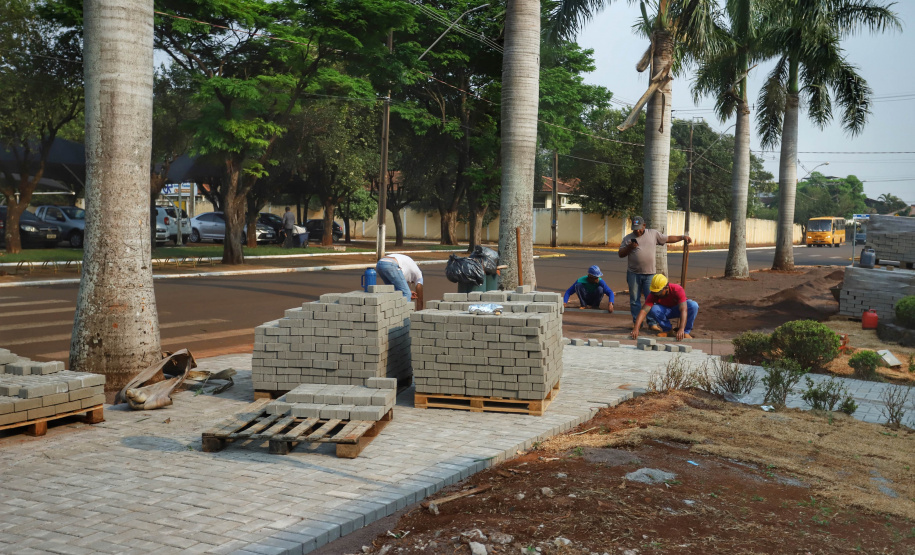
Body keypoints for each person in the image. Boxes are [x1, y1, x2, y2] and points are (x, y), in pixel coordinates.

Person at [618, 215, 692, 331]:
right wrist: (629, 248)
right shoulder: (628, 239)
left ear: (644, 226)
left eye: (639, 228)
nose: (637, 231)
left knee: (652, 299)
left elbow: (667, 238)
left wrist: (683, 237)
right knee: (634, 300)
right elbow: (621, 254)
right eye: (634, 228)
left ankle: (652, 323)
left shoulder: (653, 234)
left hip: (650, 274)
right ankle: (637, 324)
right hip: (633, 273)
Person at [630, 274, 698, 341]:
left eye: (658, 292)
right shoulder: (653, 294)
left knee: (693, 305)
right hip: (665, 311)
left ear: (666, 288)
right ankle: (668, 330)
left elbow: (683, 310)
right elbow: (644, 310)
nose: (656, 294)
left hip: (678, 309)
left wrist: (681, 329)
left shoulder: (677, 289)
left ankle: (685, 332)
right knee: (654, 309)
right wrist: (636, 328)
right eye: (654, 292)